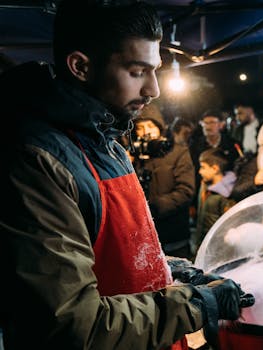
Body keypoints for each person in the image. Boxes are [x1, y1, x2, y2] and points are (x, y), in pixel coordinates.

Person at [0, 1, 247, 348]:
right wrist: (194, 304)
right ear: (81, 66)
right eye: (137, 71)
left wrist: (175, 271)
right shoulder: (37, 160)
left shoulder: (107, 141)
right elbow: (73, 325)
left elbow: (120, 259)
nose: (154, 90)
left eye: (155, 70)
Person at [132, 111, 196, 259]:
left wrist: (155, 207)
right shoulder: (136, 157)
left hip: (173, 234)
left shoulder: (179, 153)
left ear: (160, 128)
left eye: (150, 126)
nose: (146, 131)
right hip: (144, 236)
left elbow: (186, 191)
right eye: (140, 127)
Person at [191, 149, 237, 257]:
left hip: (216, 253)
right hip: (204, 248)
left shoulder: (225, 195)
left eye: (203, 167)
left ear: (215, 168)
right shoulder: (206, 187)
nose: (199, 171)